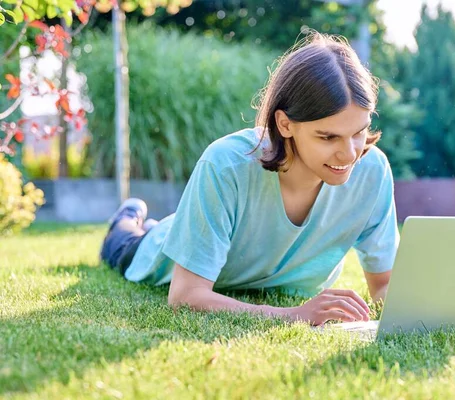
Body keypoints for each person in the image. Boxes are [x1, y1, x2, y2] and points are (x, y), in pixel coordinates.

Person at [100, 32, 400, 326]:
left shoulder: (372, 171)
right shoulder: (226, 164)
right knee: (125, 241)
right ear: (285, 124)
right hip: (150, 250)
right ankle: (127, 218)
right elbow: (185, 296)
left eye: (358, 132)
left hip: (217, 240)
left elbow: (385, 286)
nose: (349, 155)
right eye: (328, 136)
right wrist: (293, 315)